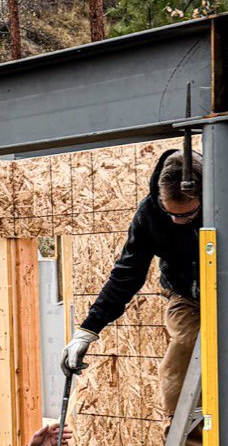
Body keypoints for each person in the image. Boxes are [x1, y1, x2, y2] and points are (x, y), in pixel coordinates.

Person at [61, 145, 203, 430]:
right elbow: (127, 274)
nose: (178, 221)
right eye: (171, 213)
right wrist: (87, 331)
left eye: (187, 215)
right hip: (185, 294)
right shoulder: (149, 214)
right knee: (184, 352)